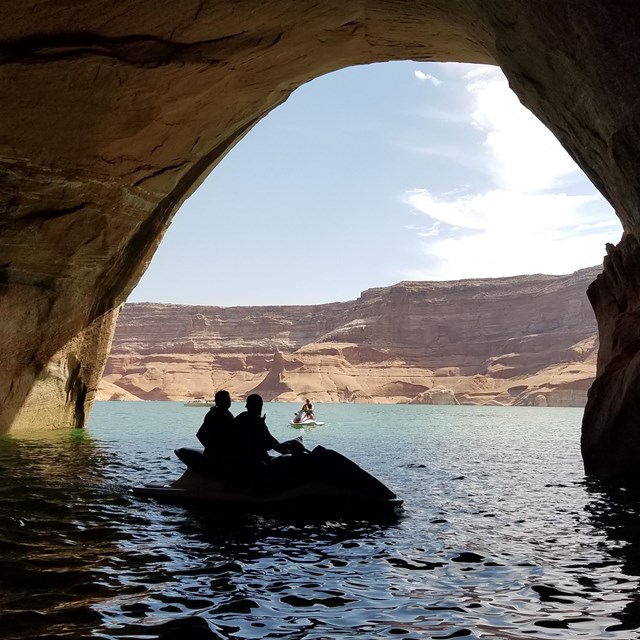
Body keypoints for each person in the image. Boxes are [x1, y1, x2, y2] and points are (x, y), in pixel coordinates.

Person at [196, 389, 234, 460]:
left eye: (229, 399)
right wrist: (213, 449)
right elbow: (200, 434)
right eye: (227, 399)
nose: (229, 401)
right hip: (215, 456)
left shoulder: (225, 413)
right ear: (219, 401)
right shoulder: (214, 414)